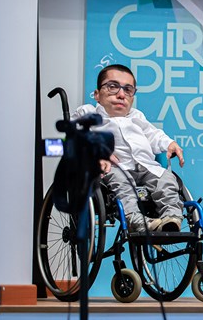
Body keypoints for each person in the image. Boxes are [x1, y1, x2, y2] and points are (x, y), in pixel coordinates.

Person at [73, 64, 185, 233]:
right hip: (112, 168)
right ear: (97, 94)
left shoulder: (136, 116)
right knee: (122, 183)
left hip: (145, 166)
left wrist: (169, 144)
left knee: (167, 179)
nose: (121, 95)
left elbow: (154, 135)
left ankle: (172, 219)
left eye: (128, 90)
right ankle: (136, 220)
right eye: (112, 87)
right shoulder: (88, 113)